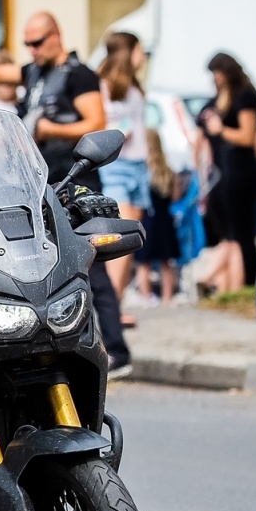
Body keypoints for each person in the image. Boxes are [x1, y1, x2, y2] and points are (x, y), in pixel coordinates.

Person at [0, 11, 131, 377]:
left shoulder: (78, 74)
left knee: (88, 267)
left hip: (75, 180)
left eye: (37, 42)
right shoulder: (34, 72)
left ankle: (115, 350)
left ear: (56, 36)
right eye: (27, 44)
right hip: (38, 186)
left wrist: (47, 127)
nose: (32, 50)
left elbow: (96, 122)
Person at [197, 53, 256, 297]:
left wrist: (221, 130)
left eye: (216, 74)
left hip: (242, 171)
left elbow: (248, 137)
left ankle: (245, 286)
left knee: (241, 234)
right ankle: (229, 289)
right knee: (230, 234)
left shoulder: (245, 96)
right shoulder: (215, 102)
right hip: (221, 175)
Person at [95, 31, 149, 324]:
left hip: (138, 164)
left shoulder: (133, 85)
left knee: (132, 242)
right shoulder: (104, 85)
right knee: (120, 240)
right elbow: (106, 125)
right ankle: (110, 313)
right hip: (117, 166)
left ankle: (116, 304)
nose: (143, 57)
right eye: (140, 51)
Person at [132, 127, 182, 305]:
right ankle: (167, 297)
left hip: (147, 220)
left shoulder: (141, 169)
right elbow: (175, 196)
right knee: (166, 262)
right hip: (164, 220)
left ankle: (146, 297)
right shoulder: (167, 170)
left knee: (143, 263)